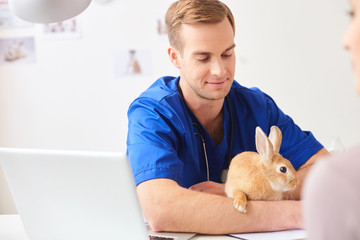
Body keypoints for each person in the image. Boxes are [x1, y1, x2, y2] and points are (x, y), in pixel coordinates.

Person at [127, 0, 328, 234]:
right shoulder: (152, 113)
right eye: (203, 58)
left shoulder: (256, 106)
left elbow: (326, 173)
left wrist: (244, 190)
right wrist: (300, 213)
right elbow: (162, 210)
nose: (220, 71)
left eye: (227, 54)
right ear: (175, 57)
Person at [303, 0, 360, 239]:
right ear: (174, 57)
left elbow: (321, 161)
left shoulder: (340, 182)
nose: (344, 40)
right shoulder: (172, 112)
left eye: (354, 14)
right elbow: (172, 205)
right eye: (203, 57)